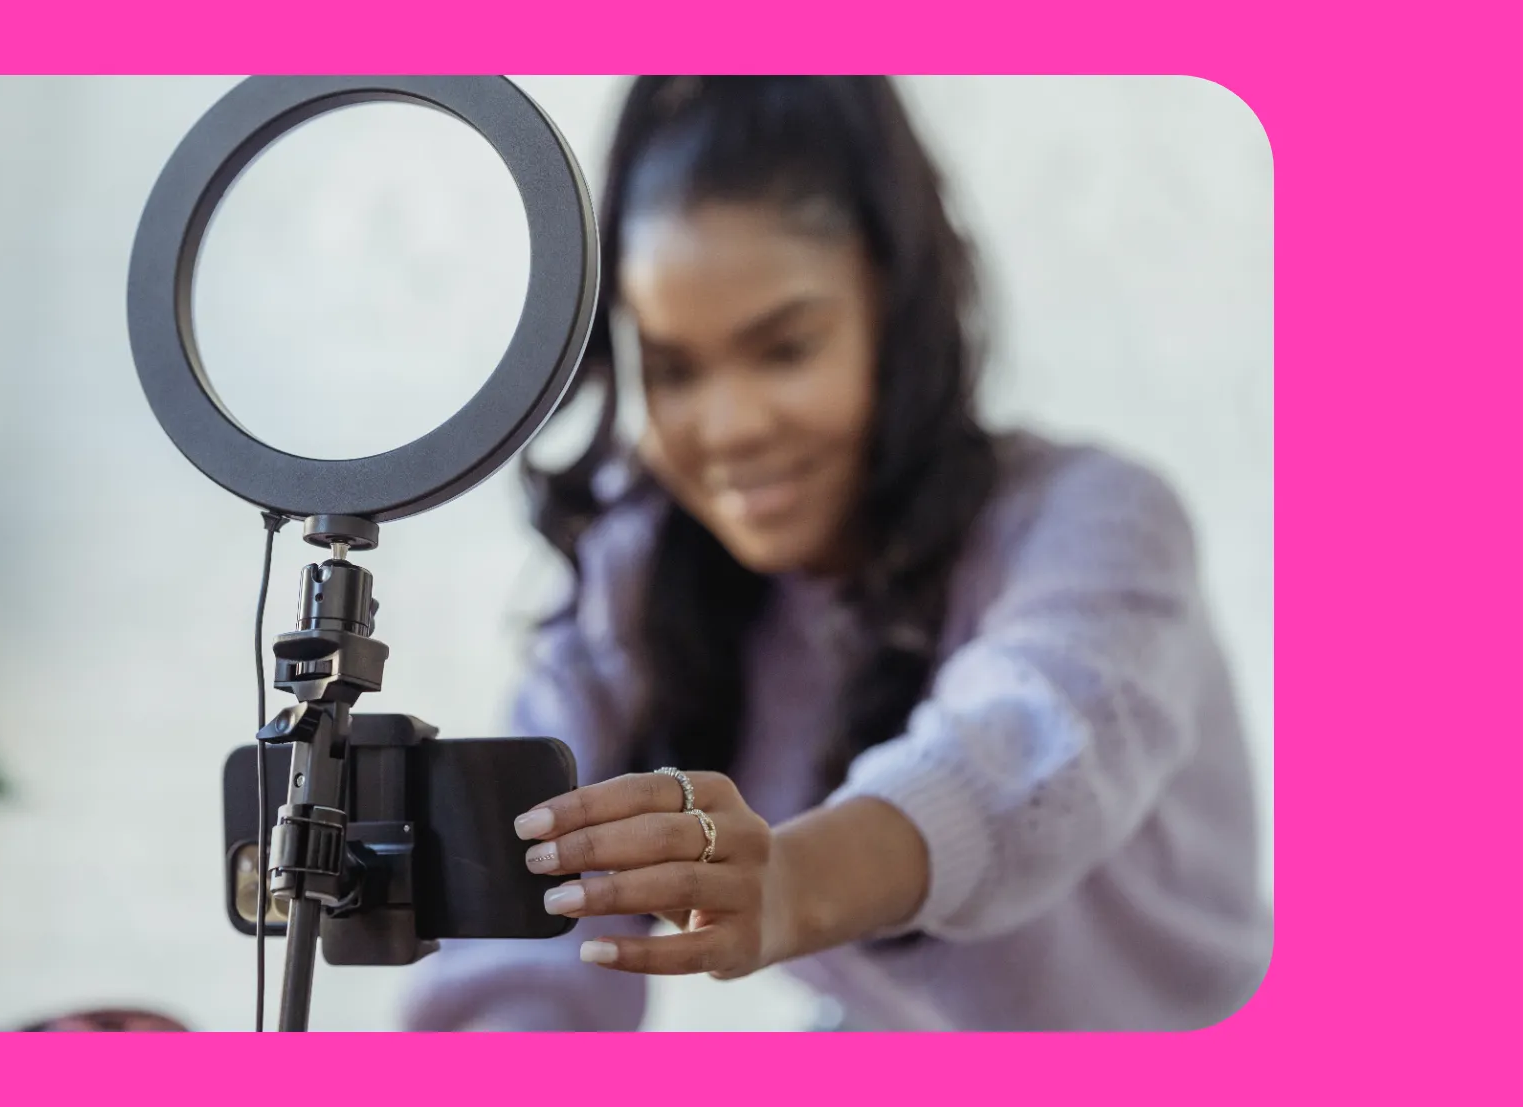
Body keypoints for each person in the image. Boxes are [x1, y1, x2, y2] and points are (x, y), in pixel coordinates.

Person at [399, 75, 1269, 1032]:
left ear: (893, 314)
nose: (728, 427)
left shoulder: (1096, 521)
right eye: (674, 369)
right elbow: (522, 946)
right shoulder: (638, 574)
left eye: (786, 349)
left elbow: (1023, 752)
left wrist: (789, 886)